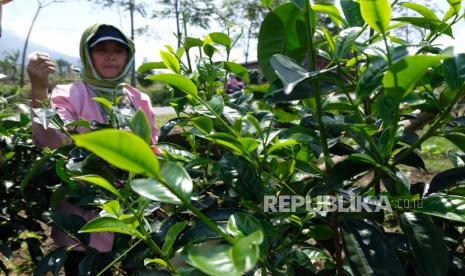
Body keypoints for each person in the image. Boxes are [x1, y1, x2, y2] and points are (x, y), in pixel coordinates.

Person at [27, 23, 159, 275]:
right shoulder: (69, 94)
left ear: (128, 56)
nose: (111, 56)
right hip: (84, 220)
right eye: (101, 49)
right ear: (87, 55)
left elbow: (151, 149)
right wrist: (39, 88)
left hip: (135, 216)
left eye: (118, 51)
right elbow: (52, 143)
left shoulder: (138, 99)